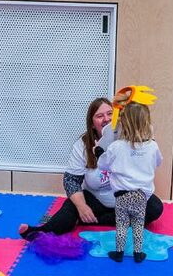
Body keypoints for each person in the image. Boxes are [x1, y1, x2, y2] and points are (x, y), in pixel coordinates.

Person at [18, 97, 163, 241]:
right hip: (95, 199)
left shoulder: (132, 138)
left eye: (110, 114)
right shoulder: (82, 145)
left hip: (126, 199)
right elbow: (71, 181)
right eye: (100, 116)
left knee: (155, 208)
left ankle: (92, 220)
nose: (106, 119)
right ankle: (38, 232)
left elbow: (149, 149)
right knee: (68, 213)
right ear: (93, 124)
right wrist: (82, 207)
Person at [96, 102, 162, 263]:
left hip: (122, 195)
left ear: (123, 124)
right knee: (138, 224)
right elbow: (158, 162)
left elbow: (102, 165)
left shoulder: (116, 146)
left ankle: (119, 252)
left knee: (122, 224)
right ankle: (138, 253)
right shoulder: (152, 146)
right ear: (147, 124)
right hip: (141, 196)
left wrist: (98, 151)